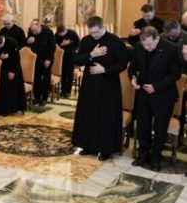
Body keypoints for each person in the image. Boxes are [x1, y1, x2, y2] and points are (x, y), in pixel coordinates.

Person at [72, 16, 128, 160]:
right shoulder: (86, 40)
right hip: (90, 84)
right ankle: (87, 145)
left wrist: (104, 69)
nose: (94, 35)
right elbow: (77, 60)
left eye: (96, 32)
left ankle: (105, 149)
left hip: (109, 84)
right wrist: (91, 54)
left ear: (102, 27)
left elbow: (122, 64)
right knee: (88, 114)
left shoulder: (115, 41)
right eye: (91, 32)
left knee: (106, 117)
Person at [128, 27, 181, 171]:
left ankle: (156, 158)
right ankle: (143, 155)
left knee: (160, 129)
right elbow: (132, 67)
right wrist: (132, 78)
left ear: (157, 38)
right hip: (143, 95)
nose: (146, 48)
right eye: (144, 45)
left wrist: (156, 87)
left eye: (149, 45)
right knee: (143, 127)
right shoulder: (138, 47)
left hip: (163, 95)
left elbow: (175, 74)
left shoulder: (171, 49)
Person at [0, 34, 26, 115]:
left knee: (10, 89)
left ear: (2, 42)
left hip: (13, 68)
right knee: (2, 89)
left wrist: (12, 71)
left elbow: (17, 59)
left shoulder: (12, 42)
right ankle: (1, 109)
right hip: (2, 69)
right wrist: (0, 57)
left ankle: (10, 109)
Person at [27, 19, 55, 106]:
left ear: (39, 27)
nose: (34, 33)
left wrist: (48, 59)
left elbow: (52, 47)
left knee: (46, 78)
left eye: (35, 31)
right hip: (36, 58)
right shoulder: (31, 31)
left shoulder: (48, 32)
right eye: (32, 31)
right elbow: (27, 43)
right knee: (36, 78)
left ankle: (44, 98)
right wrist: (28, 41)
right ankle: (37, 97)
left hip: (46, 58)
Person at [55, 25, 80, 98]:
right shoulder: (57, 35)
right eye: (59, 34)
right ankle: (63, 91)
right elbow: (55, 45)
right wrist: (62, 44)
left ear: (65, 30)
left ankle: (68, 91)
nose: (61, 35)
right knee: (63, 74)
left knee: (69, 74)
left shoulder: (72, 33)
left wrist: (74, 50)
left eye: (62, 34)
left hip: (71, 56)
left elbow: (78, 43)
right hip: (62, 56)